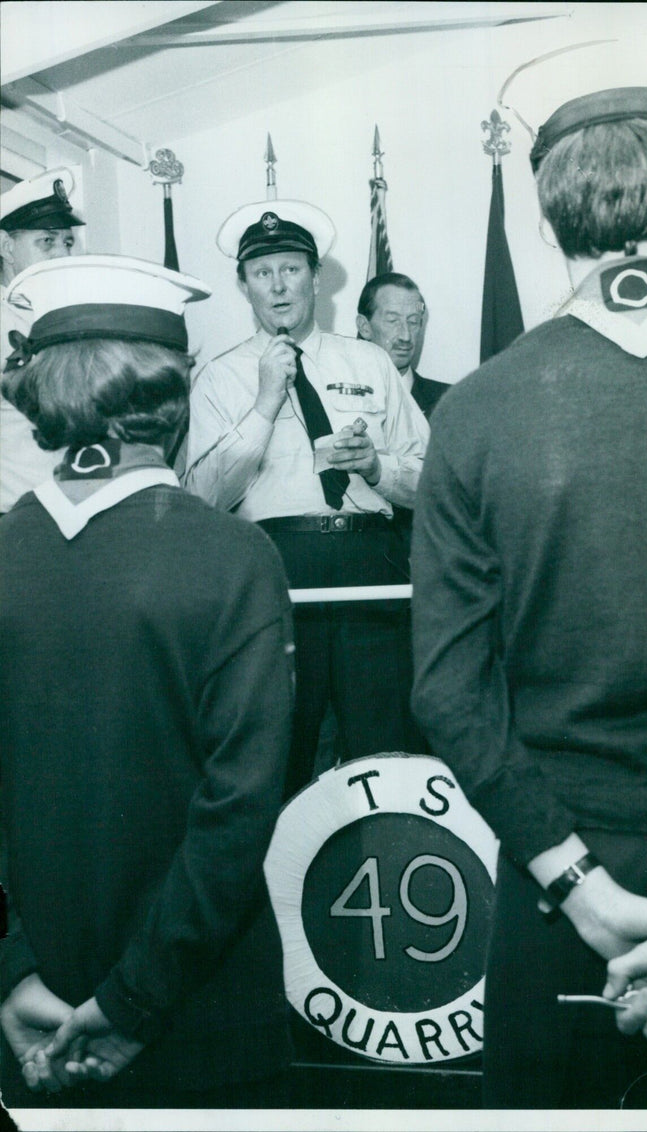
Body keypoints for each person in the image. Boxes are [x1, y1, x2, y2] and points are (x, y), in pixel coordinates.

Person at [411, 86, 647, 1109]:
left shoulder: (471, 412)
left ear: (546, 225)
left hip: (557, 876)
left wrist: (587, 902)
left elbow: (448, 694)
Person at [0, 255, 295, 1109]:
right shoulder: (235, 555)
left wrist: (10, 969)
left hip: (27, 1020)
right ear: (177, 390)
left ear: (40, 396)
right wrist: (130, 1004)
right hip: (204, 1018)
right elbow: (237, 812)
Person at [184, 201, 430, 798]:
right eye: (262, 273)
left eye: (291, 269)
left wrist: (376, 466)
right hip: (274, 570)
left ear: (315, 278)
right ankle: (271, 891)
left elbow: (433, 481)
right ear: (243, 286)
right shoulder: (220, 377)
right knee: (280, 749)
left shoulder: (369, 362)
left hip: (371, 570)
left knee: (386, 744)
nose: (279, 285)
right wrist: (265, 403)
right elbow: (203, 496)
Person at [0, 168, 84, 513]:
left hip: (76, 509)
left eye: (67, 242)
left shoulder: (70, 320)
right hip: (13, 515)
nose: (62, 255)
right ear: (6, 247)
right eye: (46, 241)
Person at [356, 272, 449, 420]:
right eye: (393, 320)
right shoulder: (335, 397)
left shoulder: (448, 401)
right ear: (364, 327)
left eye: (413, 322)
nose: (405, 336)